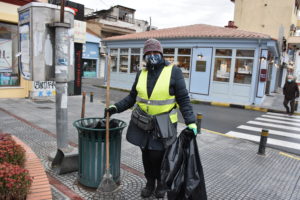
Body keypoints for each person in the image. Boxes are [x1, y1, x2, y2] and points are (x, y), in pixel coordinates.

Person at [104, 38, 198, 198]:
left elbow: (183, 99)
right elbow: (132, 97)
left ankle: (161, 183)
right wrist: (115, 107)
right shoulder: (141, 73)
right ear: (144, 56)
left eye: (155, 52)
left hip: (164, 124)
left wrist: (191, 121)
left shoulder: (173, 72)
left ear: (161, 54)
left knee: (159, 156)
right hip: (142, 123)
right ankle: (149, 182)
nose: (152, 55)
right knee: (146, 154)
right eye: (149, 53)